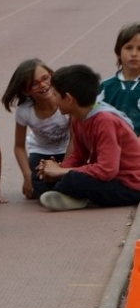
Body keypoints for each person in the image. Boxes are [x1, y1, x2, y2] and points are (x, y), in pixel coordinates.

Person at [38, 64, 140, 211]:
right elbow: (78, 156)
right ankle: (73, 197)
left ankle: (78, 197)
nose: (53, 100)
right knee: (42, 183)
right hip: (109, 178)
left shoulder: (105, 121)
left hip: (129, 185)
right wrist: (57, 169)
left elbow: (107, 169)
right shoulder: (77, 118)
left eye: (55, 95)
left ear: (68, 99)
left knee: (72, 180)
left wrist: (61, 172)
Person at [1, 58, 70, 199]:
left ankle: (64, 193)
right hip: (41, 153)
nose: (43, 85)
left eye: (45, 78)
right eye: (34, 84)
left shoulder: (66, 99)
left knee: (73, 178)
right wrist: (27, 176)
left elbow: (75, 138)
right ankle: (55, 194)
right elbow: (19, 146)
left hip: (69, 150)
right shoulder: (25, 111)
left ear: (52, 75)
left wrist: (63, 168)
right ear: (26, 91)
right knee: (36, 189)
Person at [99, 22, 140, 136]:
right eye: (128, 48)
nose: (134, 54)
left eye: (139, 49)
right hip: (112, 148)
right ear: (118, 53)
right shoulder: (105, 87)